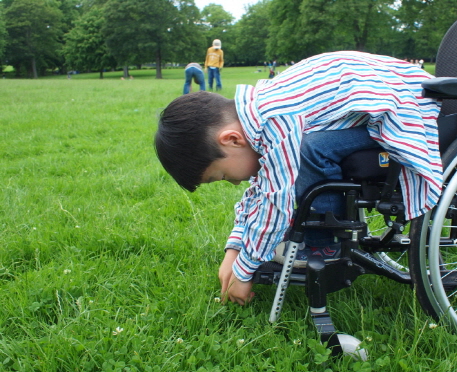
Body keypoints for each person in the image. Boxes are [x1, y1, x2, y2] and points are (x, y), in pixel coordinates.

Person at [155, 51, 442, 306]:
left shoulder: (275, 116)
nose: (233, 182)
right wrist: (235, 247)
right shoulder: (259, 114)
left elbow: (274, 201)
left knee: (311, 149)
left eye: (221, 176)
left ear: (231, 140)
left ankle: (323, 243)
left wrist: (244, 271)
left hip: (411, 109)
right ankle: (319, 230)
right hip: (390, 101)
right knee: (308, 149)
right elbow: (261, 188)